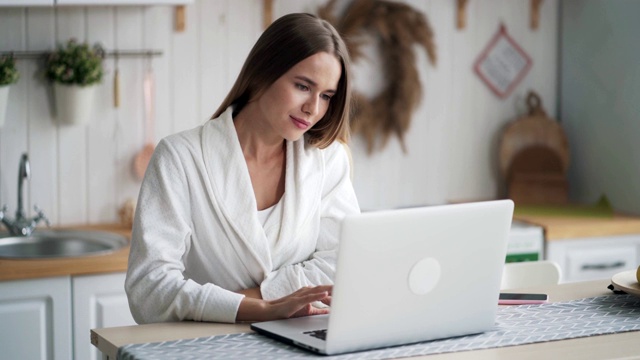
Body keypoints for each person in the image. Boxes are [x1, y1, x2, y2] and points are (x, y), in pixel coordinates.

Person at [125, 13, 360, 324]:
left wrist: (251, 299)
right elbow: (149, 291)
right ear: (263, 73)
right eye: (303, 86)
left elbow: (345, 265)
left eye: (327, 96)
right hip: (206, 344)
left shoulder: (328, 158)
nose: (313, 109)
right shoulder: (180, 158)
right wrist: (265, 307)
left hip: (300, 340)